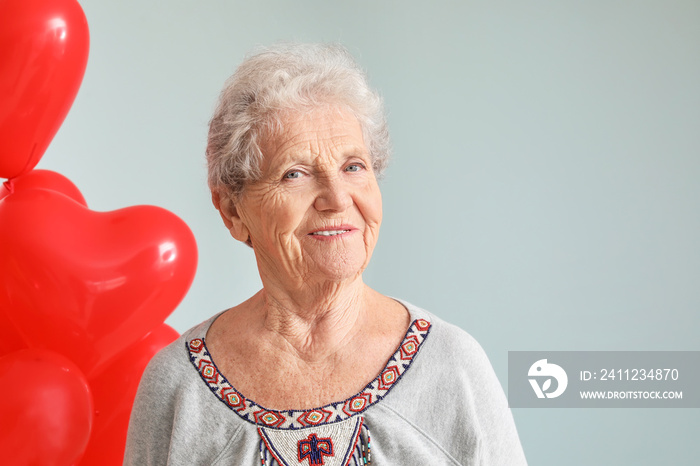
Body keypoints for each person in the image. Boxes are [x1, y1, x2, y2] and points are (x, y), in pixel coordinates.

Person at [124, 43, 527, 465]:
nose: (336, 198)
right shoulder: (179, 386)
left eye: (353, 167)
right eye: (294, 174)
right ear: (232, 210)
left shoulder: (452, 367)